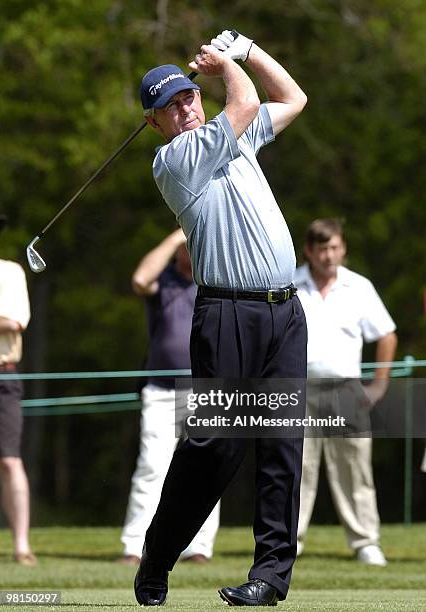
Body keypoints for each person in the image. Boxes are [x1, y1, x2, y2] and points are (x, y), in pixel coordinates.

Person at [134, 29, 308, 606]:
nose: (182, 108)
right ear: (155, 123)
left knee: (281, 445)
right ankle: (159, 555)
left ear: (198, 98)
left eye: (186, 96)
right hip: (227, 314)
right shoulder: (176, 158)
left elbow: (292, 100)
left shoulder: (235, 142)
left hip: (285, 313)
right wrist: (224, 62)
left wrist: (251, 49)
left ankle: (270, 577)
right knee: (215, 446)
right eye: (167, 107)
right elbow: (248, 102)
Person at [294, 218, 398, 566]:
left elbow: (386, 334)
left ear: (344, 249)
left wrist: (380, 383)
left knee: (354, 469)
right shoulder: (290, 284)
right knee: (296, 468)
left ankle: (366, 541)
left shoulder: (359, 287)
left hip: (346, 390)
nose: (328, 255)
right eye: (321, 248)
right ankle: (287, 542)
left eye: (334, 247)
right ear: (309, 250)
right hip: (298, 390)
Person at [120, 228, 220, 564]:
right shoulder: (162, 281)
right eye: (186, 246)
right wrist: (176, 235)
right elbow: (139, 278)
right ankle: (135, 546)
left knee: (207, 469)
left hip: (207, 389)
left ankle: (198, 548)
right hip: (162, 388)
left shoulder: (217, 280)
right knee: (152, 466)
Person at [0, 214, 36, 566]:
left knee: (9, 460)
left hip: (3, 377)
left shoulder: (10, 272)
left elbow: (15, 322)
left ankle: (21, 545)